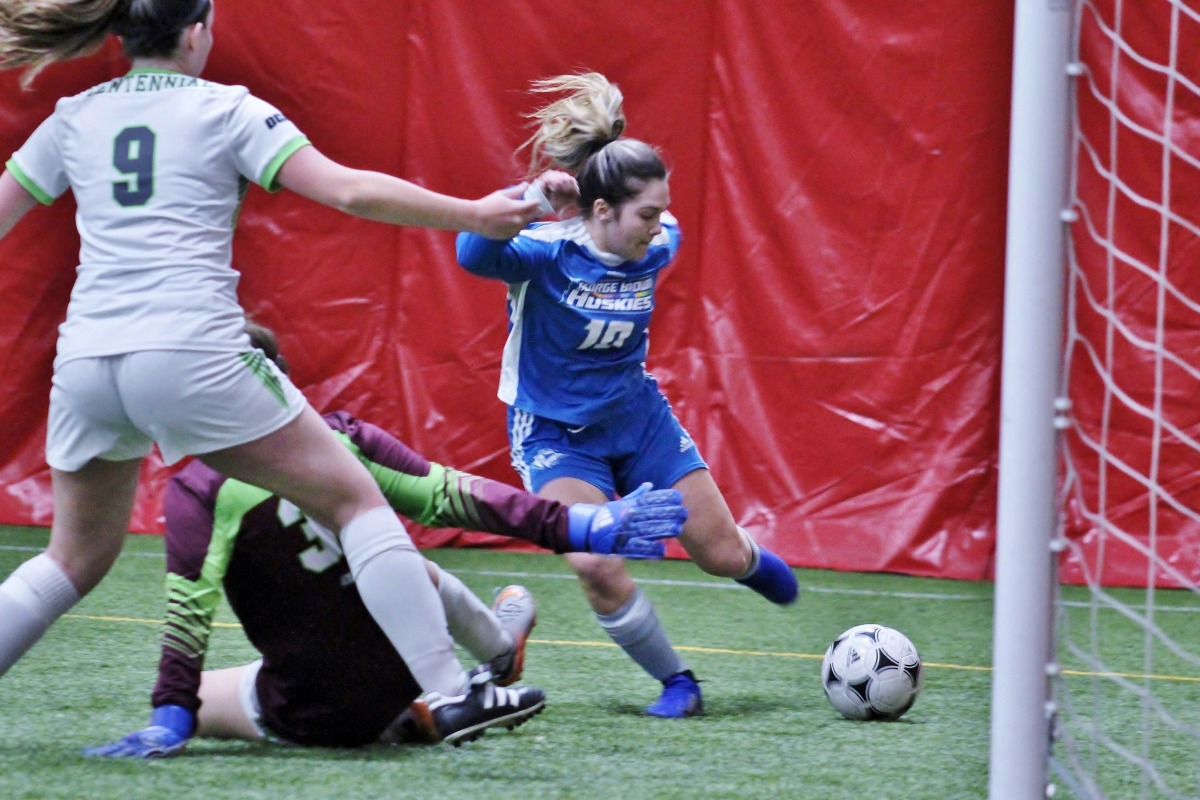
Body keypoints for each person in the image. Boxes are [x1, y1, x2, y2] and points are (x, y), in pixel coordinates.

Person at [0, 0, 576, 744]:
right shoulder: (225, 108)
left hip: (86, 363)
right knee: (356, 499)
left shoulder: (74, 115)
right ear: (197, 31)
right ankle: (453, 690)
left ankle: (462, 679)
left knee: (71, 558)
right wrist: (476, 213)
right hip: (190, 351)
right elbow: (347, 190)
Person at [84, 323, 685, 755]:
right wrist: (578, 523)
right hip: (407, 670)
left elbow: (188, 618)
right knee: (399, 563)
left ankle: (445, 697)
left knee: (210, 696)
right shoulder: (338, 437)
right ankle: (482, 664)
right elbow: (454, 494)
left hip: (313, 710)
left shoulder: (199, 489)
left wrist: (169, 717)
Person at [455, 72, 800, 719]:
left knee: (719, 554)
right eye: (646, 212)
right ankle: (679, 683)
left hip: (637, 420)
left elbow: (663, 227)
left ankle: (749, 562)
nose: (659, 224)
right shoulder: (543, 253)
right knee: (595, 565)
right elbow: (472, 250)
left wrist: (635, 213)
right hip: (555, 435)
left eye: (661, 210)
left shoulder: (657, 244)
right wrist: (531, 195)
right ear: (604, 212)